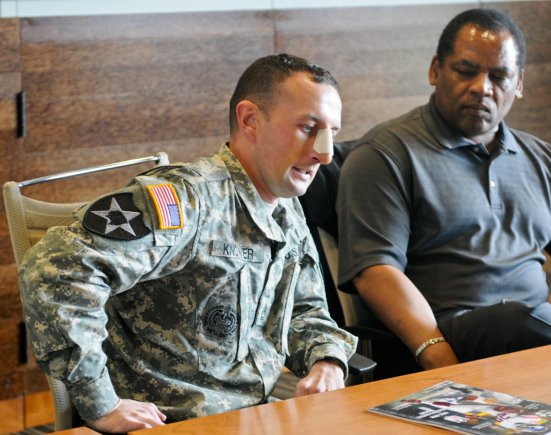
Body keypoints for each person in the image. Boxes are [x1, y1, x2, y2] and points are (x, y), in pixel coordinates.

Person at [19, 53, 357, 433]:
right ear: (250, 120)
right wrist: (100, 402)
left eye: (332, 132)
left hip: (255, 416)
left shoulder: (283, 206)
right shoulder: (186, 200)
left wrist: (327, 361)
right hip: (171, 422)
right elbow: (55, 269)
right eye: (308, 128)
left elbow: (305, 307)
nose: (325, 152)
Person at [337, 8, 551, 372]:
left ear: (518, 84)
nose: (482, 87)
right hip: (449, 331)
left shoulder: (540, 157)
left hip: (534, 333)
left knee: (527, 320)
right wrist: (441, 361)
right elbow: (375, 272)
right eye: (467, 71)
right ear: (436, 70)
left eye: (499, 76)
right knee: (517, 320)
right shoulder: (386, 154)